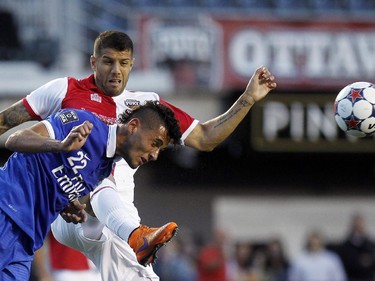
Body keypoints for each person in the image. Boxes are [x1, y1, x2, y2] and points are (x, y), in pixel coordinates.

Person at [0, 30, 276, 280]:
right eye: (108, 61)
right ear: (94, 62)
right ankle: (135, 235)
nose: (116, 71)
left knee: (137, 271)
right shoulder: (65, 92)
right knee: (105, 184)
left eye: (123, 63)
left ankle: (134, 237)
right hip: (73, 213)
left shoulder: (148, 108)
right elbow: (7, 125)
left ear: (132, 65)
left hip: (80, 206)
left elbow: (205, 138)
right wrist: (58, 148)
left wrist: (248, 99)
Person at [0, 102, 182, 281]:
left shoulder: (104, 167)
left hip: (26, 242)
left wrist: (65, 204)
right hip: (6, 210)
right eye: (155, 143)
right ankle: (135, 235)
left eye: (160, 149)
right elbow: (15, 139)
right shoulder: (83, 122)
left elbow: (51, 174)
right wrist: (60, 145)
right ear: (134, 126)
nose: (154, 155)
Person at [337, 212, 375, 281]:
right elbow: (348, 261)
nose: (359, 225)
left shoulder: (370, 244)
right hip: (352, 277)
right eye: (357, 223)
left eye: (361, 223)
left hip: (367, 277)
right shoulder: (346, 246)